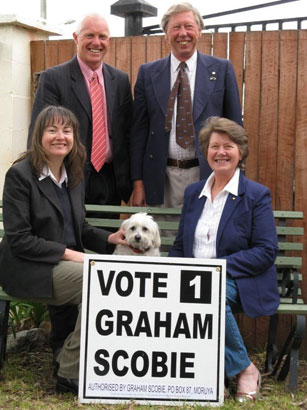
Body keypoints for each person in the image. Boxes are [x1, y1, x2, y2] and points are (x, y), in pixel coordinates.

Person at [0, 106, 128, 395]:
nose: (61, 137)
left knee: (105, 278)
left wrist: (112, 239)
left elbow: (79, 228)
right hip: (27, 268)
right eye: (52, 130)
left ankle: (65, 355)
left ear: (74, 137)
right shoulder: (20, 176)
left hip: (62, 266)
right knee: (96, 281)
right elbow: (20, 239)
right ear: (39, 136)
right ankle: (70, 371)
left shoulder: (73, 174)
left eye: (67, 131)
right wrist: (73, 255)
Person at [27, 12, 133, 356]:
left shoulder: (119, 79)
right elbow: (39, 132)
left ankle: (101, 341)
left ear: (109, 41)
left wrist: (133, 182)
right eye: (90, 35)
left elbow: (126, 133)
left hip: (109, 182)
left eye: (103, 37)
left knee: (104, 253)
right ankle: (63, 345)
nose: (96, 43)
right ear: (76, 37)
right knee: (69, 256)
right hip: (66, 180)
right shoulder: (56, 78)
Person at [169, 116, 280, 402]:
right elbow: (181, 245)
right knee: (192, 293)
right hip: (192, 280)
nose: (220, 152)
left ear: (240, 152)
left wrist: (218, 269)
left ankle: (245, 370)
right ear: (206, 152)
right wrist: (168, 273)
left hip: (239, 282)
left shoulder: (255, 195)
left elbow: (266, 251)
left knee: (208, 294)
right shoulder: (194, 193)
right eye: (214, 146)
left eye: (228, 146)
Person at [130, 2, 242, 209]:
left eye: (189, 26)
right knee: (163, 240)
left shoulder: (222, 69)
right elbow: (138, 132)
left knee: (204, 238)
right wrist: (138, 183)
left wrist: (235, 178)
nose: (183, 33)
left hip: (209, 174)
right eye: (176, 27)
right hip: (160, 179)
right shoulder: (147, 73)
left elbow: (236, 129)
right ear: (166, 33)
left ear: (199, 31)